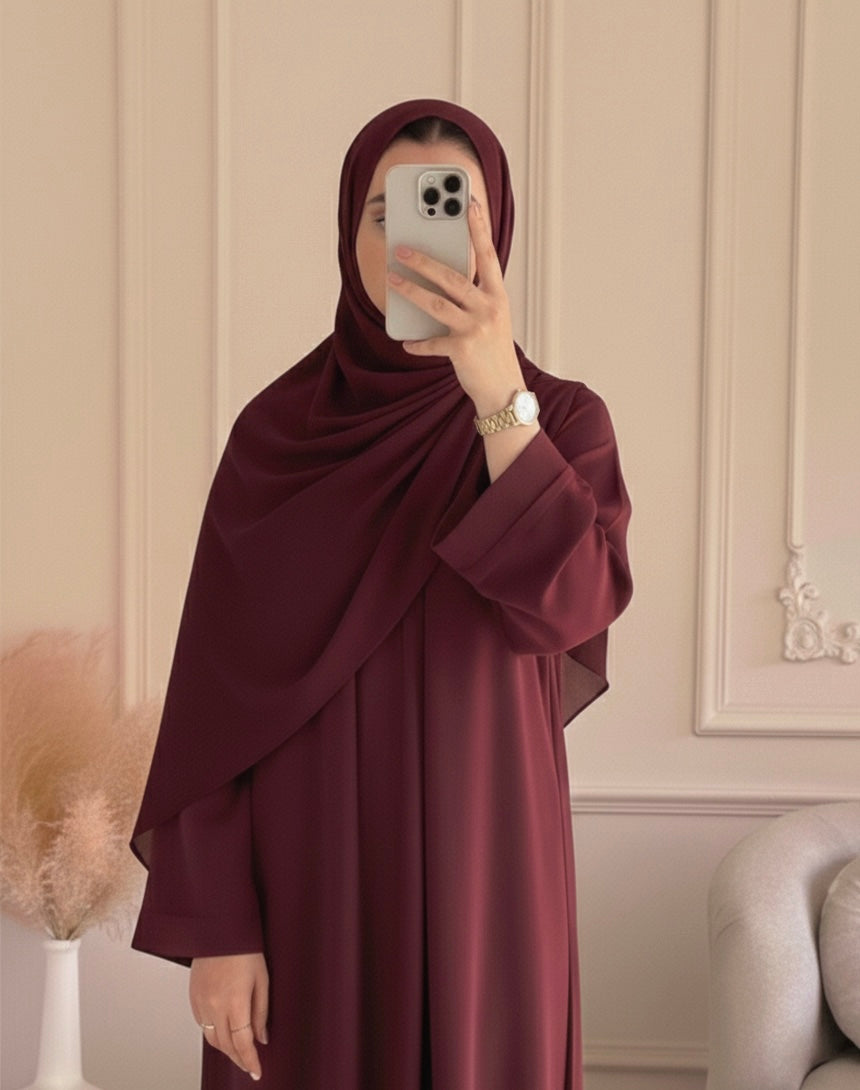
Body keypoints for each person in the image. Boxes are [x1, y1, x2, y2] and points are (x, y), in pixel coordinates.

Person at [131, 98, 632, 1090]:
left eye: (454, 209)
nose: (415, 239)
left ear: (496, 233)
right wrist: (220, 928)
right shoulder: (277, 438)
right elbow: (210, 709)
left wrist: (496, 393)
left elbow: (572, 607)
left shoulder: (562, 422)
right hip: (302, 887)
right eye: (384, 211)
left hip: (488, 880)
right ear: (346, 235)